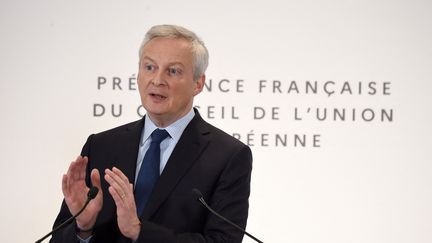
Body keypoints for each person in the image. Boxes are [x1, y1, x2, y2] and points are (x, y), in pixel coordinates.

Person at [50, 24, 253, 243]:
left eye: (173, 71)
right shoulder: (101, 145)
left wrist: (139, 231)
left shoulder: (228, 156)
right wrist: (83, 227)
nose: (157, 80)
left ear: (198, 83)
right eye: (149, 67)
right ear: (137, 75)